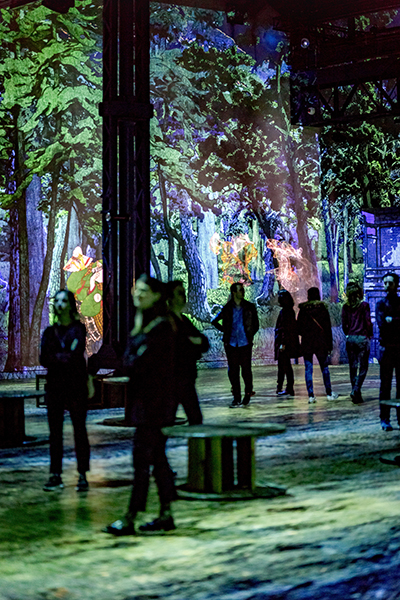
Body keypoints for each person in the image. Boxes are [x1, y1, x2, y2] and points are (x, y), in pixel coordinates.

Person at [104, 274, 178, 536]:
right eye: (137, 290)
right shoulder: (144, 327)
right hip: (145, 405)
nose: (137, 294)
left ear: (157, 295)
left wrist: (134, 361)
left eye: (144, 290)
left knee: (142, 461)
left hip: (155, 407)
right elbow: (127, 362)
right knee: (157, 460)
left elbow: (139, 365)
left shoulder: (161, 327)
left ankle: (130, 516)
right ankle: (165, 513)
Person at [40, 289, 90, 492]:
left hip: (76, 386)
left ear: (70, 305)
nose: (59, 304)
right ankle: (55, 474)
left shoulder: (78, 329)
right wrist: (62, 357)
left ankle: (82, 474)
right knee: (55, 433)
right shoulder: (49, 333)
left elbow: (75, 354)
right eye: (56, 301)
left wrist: (58, 358)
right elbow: (44, 358)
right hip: (55, 387)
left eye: (63, 301)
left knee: (79, 430)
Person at [166, 280, 209, 425]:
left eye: (184, 293)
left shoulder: (183, 320)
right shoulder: (166, 322)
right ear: (170, 297)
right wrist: (192, 342)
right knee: (166, 419)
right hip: (172, 378)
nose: (183, 297)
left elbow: (204, 343)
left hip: (186, 377)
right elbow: (178, 346)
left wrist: (192, 342)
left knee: (195, 418)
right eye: (180, 293)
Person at [212, 282, 259, 408]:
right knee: (233, 371)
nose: (242, 292)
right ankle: (236, 397)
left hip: (245, 343)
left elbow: (256, 324)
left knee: (246, 370)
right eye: (239, 290)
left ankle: (248, 393)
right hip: (231, 344)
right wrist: (226, 331)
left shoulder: (249, 307)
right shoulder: (227, 308)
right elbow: (214, 321)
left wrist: (249, 335)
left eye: (242, 290)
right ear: (233, 292)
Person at [297, 287, 339, 404]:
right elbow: (327, 329)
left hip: (307, 343)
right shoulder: (323, 309)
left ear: (308, 296)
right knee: (324, 368)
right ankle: (329, 393)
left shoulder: (303, 310)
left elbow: (298, 329)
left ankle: (311, 395)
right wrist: (329, 345)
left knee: (308, 369)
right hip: (321, 343)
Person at [376, 271, 400, 431]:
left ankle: (399, 419)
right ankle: (384, 419)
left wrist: (392, 321)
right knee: (385, 385)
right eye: (385, 283)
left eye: (390, 283)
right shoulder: (380, 304)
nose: (387, 286)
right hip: (386, 349)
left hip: (398, 349)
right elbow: (381, 324)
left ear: (396, 285)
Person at [341, 282, 373, 404]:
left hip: (351, 338)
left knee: (353, 367)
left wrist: (348, 334)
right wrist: (369, 335)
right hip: (362, 338)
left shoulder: (345, 307)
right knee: (363, 367)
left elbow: (344, 325)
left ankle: (356, 393)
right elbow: (368, 322)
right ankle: (356, 389)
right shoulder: (364, 305)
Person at [274, 289, 299, 397]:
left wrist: (282, 344)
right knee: (286, 365)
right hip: (287, 342)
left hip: (284, 343)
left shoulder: (285, 312)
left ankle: (285, 387)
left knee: (284, 366)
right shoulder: (290, 311)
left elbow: (285, 329)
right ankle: (287, 387)